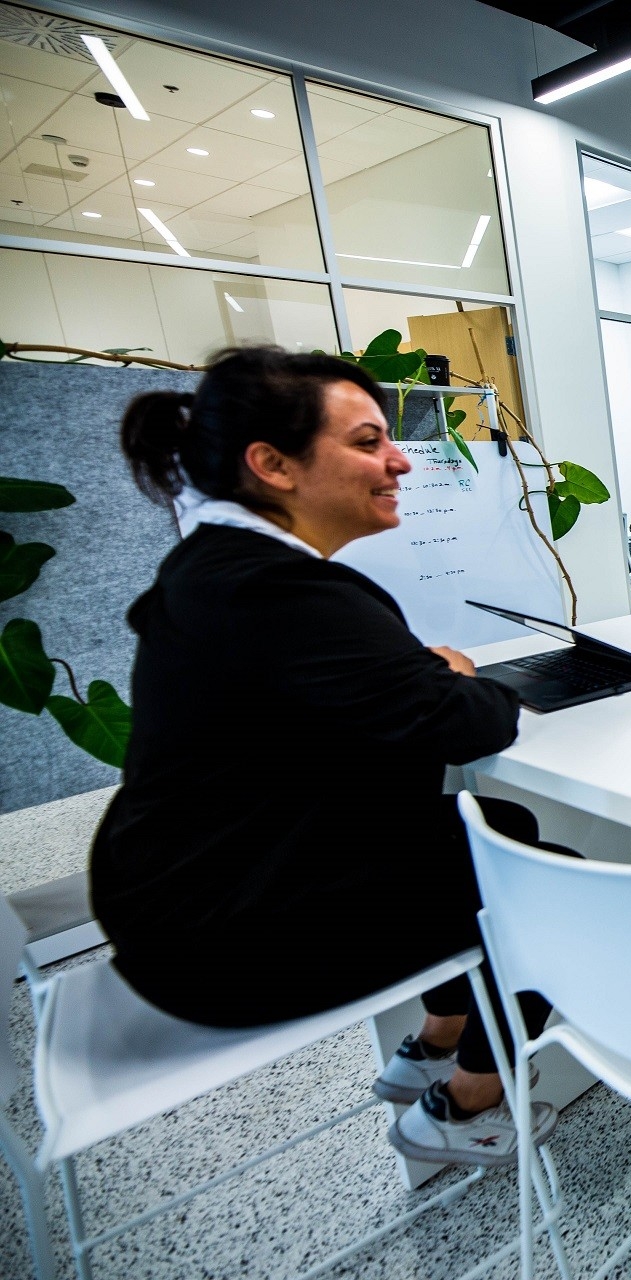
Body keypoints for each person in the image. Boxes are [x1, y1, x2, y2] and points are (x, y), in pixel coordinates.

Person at [94, 345, 557, 1168]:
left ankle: (432, 1044)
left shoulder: (217, 569)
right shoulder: (276, 591)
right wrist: (451, 672)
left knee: (500, 823)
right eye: (368, 441)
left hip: (175, 897)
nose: (400, 460)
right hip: (220, 946)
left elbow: (368, 695)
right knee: (552, 885)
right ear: (272, 464)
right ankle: (461, 1110)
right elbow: (469, 722)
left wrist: (422, 675)